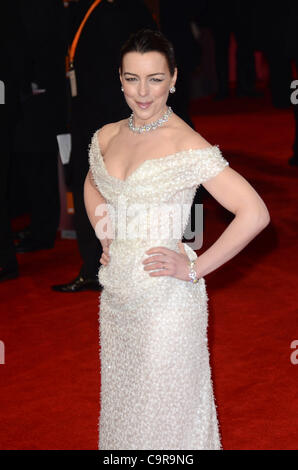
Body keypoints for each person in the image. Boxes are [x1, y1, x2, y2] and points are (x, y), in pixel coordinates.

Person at [84, 29, 270, 450]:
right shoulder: (108, 136)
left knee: (166, 415)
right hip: (117, 299)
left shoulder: (186, 144)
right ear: (120, 79)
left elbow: (254, 213)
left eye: (155, 78)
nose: (143, 92)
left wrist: (193, 267)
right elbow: (94, 184)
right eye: (132, 78)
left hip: (166, 304)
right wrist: (105, 231)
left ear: (174, 79)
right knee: (125, 409)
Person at [52, 0, 156, 293]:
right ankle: (95, 268)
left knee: (119, 193)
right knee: (94, 190)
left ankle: (114, 269)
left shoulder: (122, 10)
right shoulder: (90, 8)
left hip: (112, 120)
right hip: (90, 115)